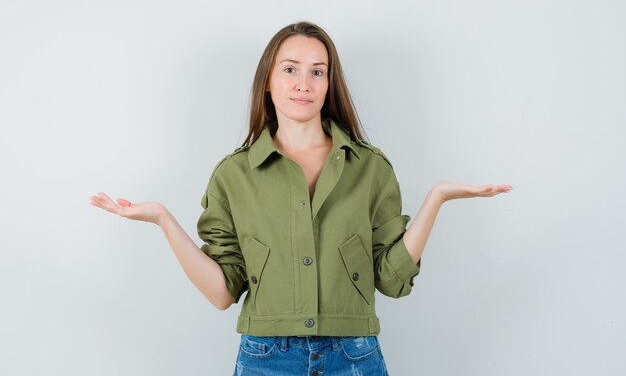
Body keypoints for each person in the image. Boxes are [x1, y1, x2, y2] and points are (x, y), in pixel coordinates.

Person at [90, 21, 512, 375]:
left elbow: (390, 278)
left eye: (317, 72)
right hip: (265, 360)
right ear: (268, 81)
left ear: (330, 83)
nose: (303, 84)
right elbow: (222, 293)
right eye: (290, 69)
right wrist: (164, 220)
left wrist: (436, 199)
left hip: (355, 357)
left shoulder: (370, 167)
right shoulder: (233, 175)